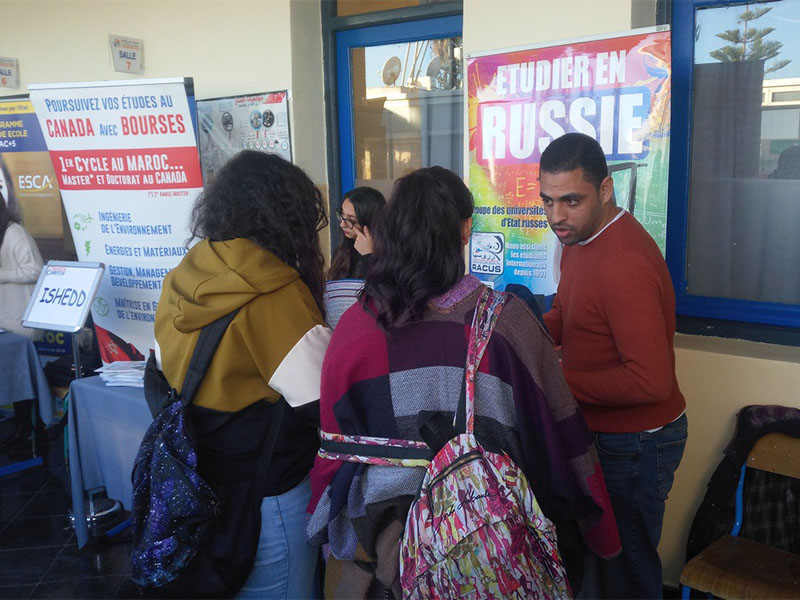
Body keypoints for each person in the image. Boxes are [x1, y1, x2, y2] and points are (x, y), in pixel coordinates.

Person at [307, 166, 620, 599]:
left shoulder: (355, 328)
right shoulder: (507, 323)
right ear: (466, 229)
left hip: (378, 563)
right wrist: (598, 531)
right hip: (491, 561)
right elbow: (562, 437)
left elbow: (331, 453)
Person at [154, 150, 330, 599]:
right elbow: (323, 398)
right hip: (264, 496)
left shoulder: (185, 274)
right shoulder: (275, 291)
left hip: (199, 486)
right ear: (285, 216)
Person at [540, 132, 687, 599]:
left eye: (570, 200)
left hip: (637, 446)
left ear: (605, 190)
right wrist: (517, 335)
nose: (556, 216)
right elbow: (567, 314)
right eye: (547, 201)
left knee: (629, 570)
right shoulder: (578, 238)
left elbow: (651, 381)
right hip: (604, 434)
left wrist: (554, 380)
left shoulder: (623, 262)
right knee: (601, 563)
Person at [0, 181, 46, 457]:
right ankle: (20, 428)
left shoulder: (15, 233)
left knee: (22, 377)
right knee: (12, 376)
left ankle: (31, 432)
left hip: (21, 320)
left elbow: (36, 269)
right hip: (5, 321)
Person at [327, 186, 386, 280]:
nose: (342, 224)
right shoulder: (342, 251)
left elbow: (381, 289)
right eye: (342, 215)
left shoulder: (390, 256)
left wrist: (368, 255)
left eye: (351, 220)